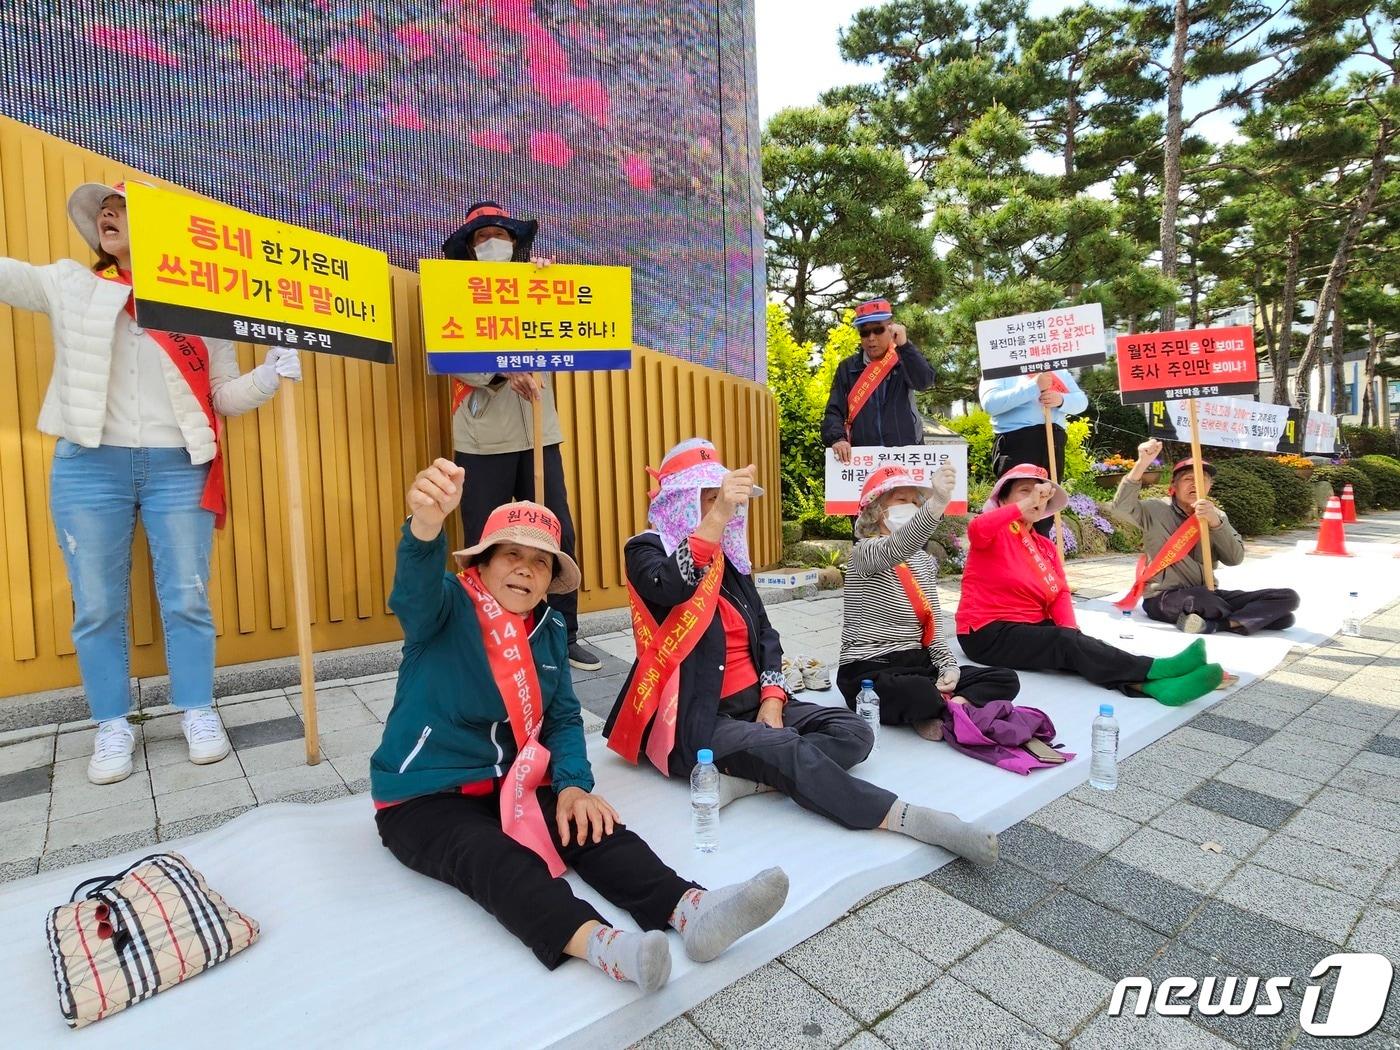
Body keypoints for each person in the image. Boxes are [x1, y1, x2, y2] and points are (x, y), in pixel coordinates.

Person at [371, 459, 789, 992]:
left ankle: (693, 910)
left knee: (594, 825)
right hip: (423, 796)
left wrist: (572, 784)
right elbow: (412, 592)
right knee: (494, 858)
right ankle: (609, 949)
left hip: (512, 780)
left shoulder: (547, 629)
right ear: (482, 563)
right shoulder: (446, 607)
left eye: (541, 562)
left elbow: (564, 717)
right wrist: (425, 526)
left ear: (550, 580)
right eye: (511, 555)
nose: (526, 569)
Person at [0, 181, 300, 785]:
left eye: (122, 209)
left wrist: (269, 375)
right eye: (102, 212)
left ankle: (197, 709)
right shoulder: (70, 283)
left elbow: (222, 396)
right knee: (98, 604)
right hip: (90, 465)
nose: (108, 216)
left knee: (187, 594)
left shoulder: (199, 304)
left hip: (178, 464)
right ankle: (111, 724)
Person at [602, 439, 998, 867]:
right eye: (710, 498)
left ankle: (750, 781)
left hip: (754, 700)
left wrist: (772, 701)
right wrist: (716, 518)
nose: (725, 509)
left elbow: (767, 637)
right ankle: (907, 817)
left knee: (854, 732)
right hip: (700, 714)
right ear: (680, 501)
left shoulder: (730, 563)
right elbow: (669, 585)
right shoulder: (644, 548)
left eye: (724, 499)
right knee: (792, 749)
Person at [440, 201, 601, 671]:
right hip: (480, 437)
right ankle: (485, 628)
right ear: (469, 249)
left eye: (503, 235)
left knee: (556, 531)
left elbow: (565, 337)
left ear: (515, 243)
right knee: (486, 537)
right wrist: (500, 369)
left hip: (537, 432)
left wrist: (546, 288)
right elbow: (450, 355)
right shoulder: (455, 292)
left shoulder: (535, 281)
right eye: (482, 237)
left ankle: (562, 632)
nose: (494, 244)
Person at [956, 464, 1225, 706]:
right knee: (1065, 641)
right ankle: (1156, 668)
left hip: (1030, 627)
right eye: (1024, 491)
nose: (1035, 498)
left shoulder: (1045, 546)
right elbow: (977, 529)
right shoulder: (993, 532)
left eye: (1041, 494)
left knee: (1080, 646)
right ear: (1003, 498)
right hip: (985, 633)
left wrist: (1074, 633)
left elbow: (1059, 593)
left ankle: (1153, 686)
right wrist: (1020, 508)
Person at [837, 465, 1021, 738]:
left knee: (1005, 678)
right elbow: (897, 546)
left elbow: (932, 622)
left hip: (919, 663)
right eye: (901, 500)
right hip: (871, 666)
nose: (911, 506)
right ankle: (935, 706)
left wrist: (948, 667)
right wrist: (936, 503)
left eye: (916, 501)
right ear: (875, 511)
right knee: (918, 692)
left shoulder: (922, 561)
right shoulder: (863, 553)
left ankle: (945, 707)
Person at [1112, 440, 1300, 634]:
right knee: (1204, 601)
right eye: (1188, 478)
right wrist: (1142, 463)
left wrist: (1215, 525)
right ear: (1173, 485)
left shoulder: (1217, 515)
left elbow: (1234, 559)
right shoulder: (1155, 509)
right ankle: (1248, 618)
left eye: (1203, 480)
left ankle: (1217, 624)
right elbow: (1120, 508)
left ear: (1210, 486)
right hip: (1165, 596)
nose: (1195, 484)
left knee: (1287, 598)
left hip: (1209, 592)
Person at [821, 297, 936, 464]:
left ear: (891, 329)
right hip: (865, 461)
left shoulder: (903, 358)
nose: (871, 338)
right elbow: (834, 411)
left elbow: (924, 381)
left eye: (878, 330)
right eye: (864, 332)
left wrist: (905, 346)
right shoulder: (847, 368)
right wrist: (837, 438)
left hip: (905, 457)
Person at [979, 369, 1087, 536]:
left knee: (1045, 505)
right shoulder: (999, 364)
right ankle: (1010, 554)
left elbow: (1082, 401)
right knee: (1018, 502)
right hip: (1018, 441)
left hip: (1054, 441)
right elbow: (990, 403)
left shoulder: (1056, 367)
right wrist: (1033, 387)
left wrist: (1061, 399)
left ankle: (1039, 556)